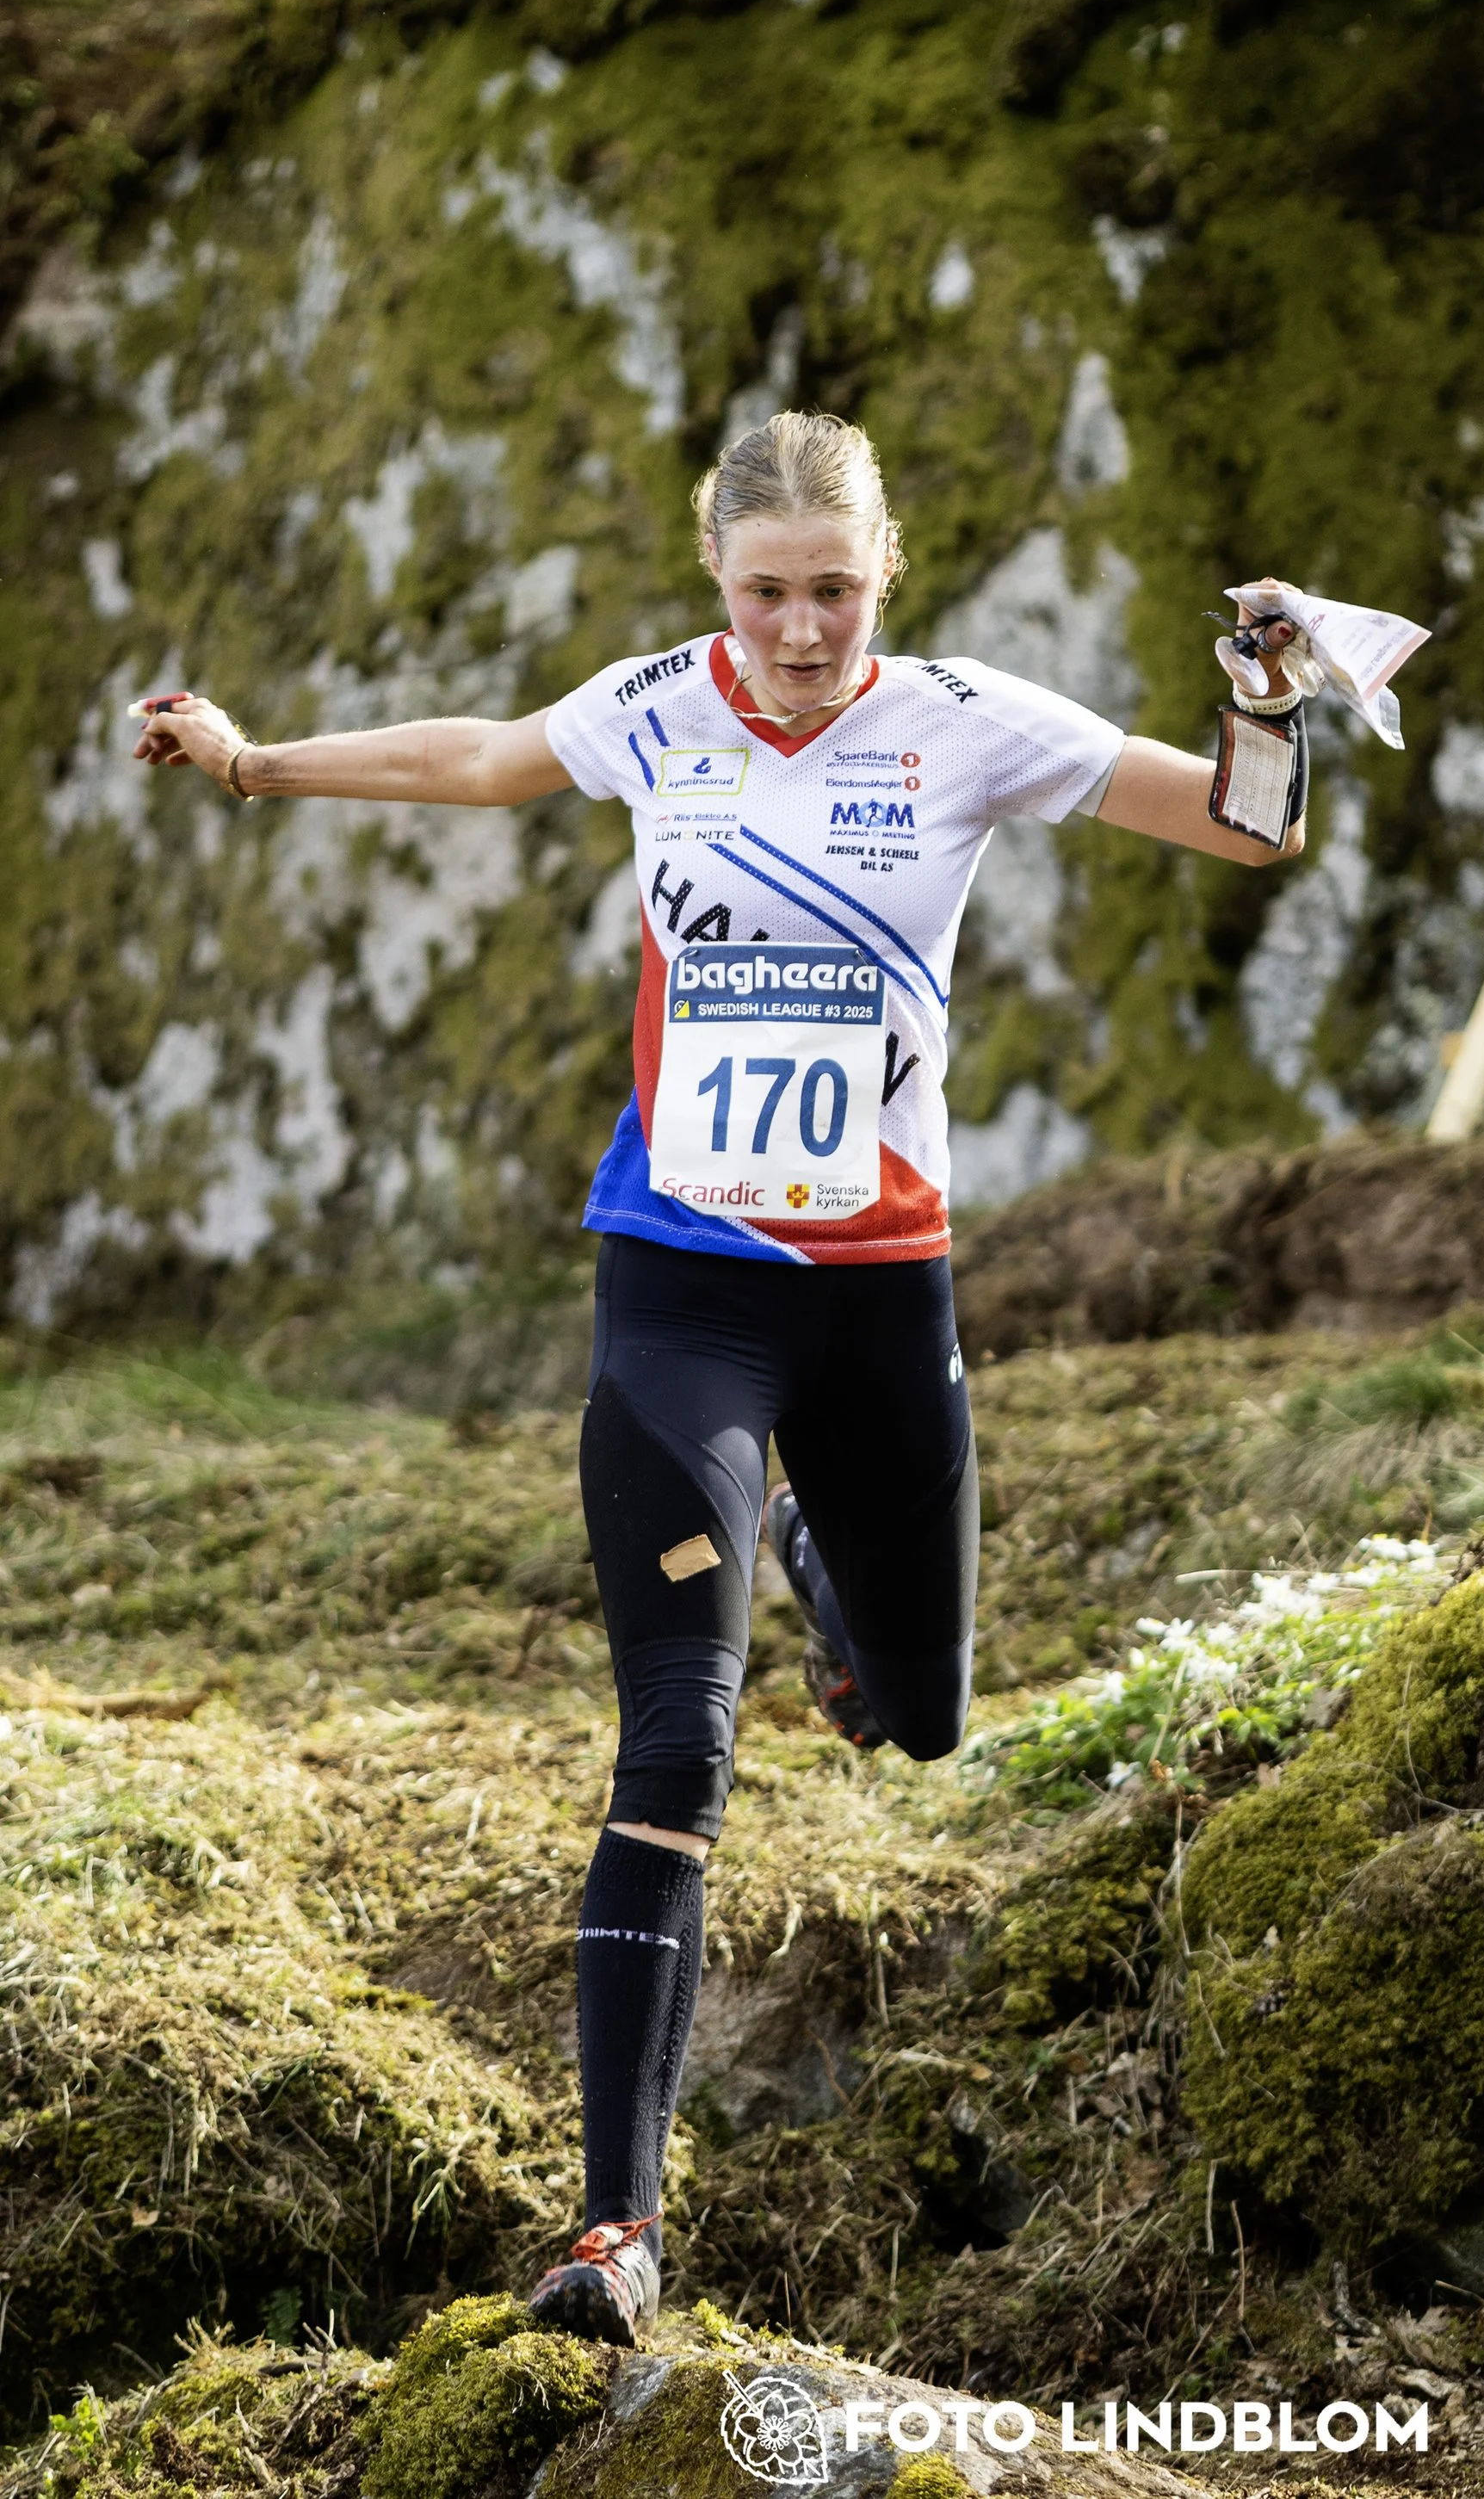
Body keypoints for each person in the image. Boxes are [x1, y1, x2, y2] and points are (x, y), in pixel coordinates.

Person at [131, 410, 1312, 2343]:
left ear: (885, 579)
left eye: (833, 591)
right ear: (717, 586)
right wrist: (261, 762)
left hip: (880, 1292)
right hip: (682, 1287)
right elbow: (486, 761)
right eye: (765, 593)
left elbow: (1249, 824)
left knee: (917, 1714)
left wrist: (1267, 697)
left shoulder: (958, 718)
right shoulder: (655, 709)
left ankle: (804, 1532)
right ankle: (614, 2229)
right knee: (677, 1739)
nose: (797, 630)